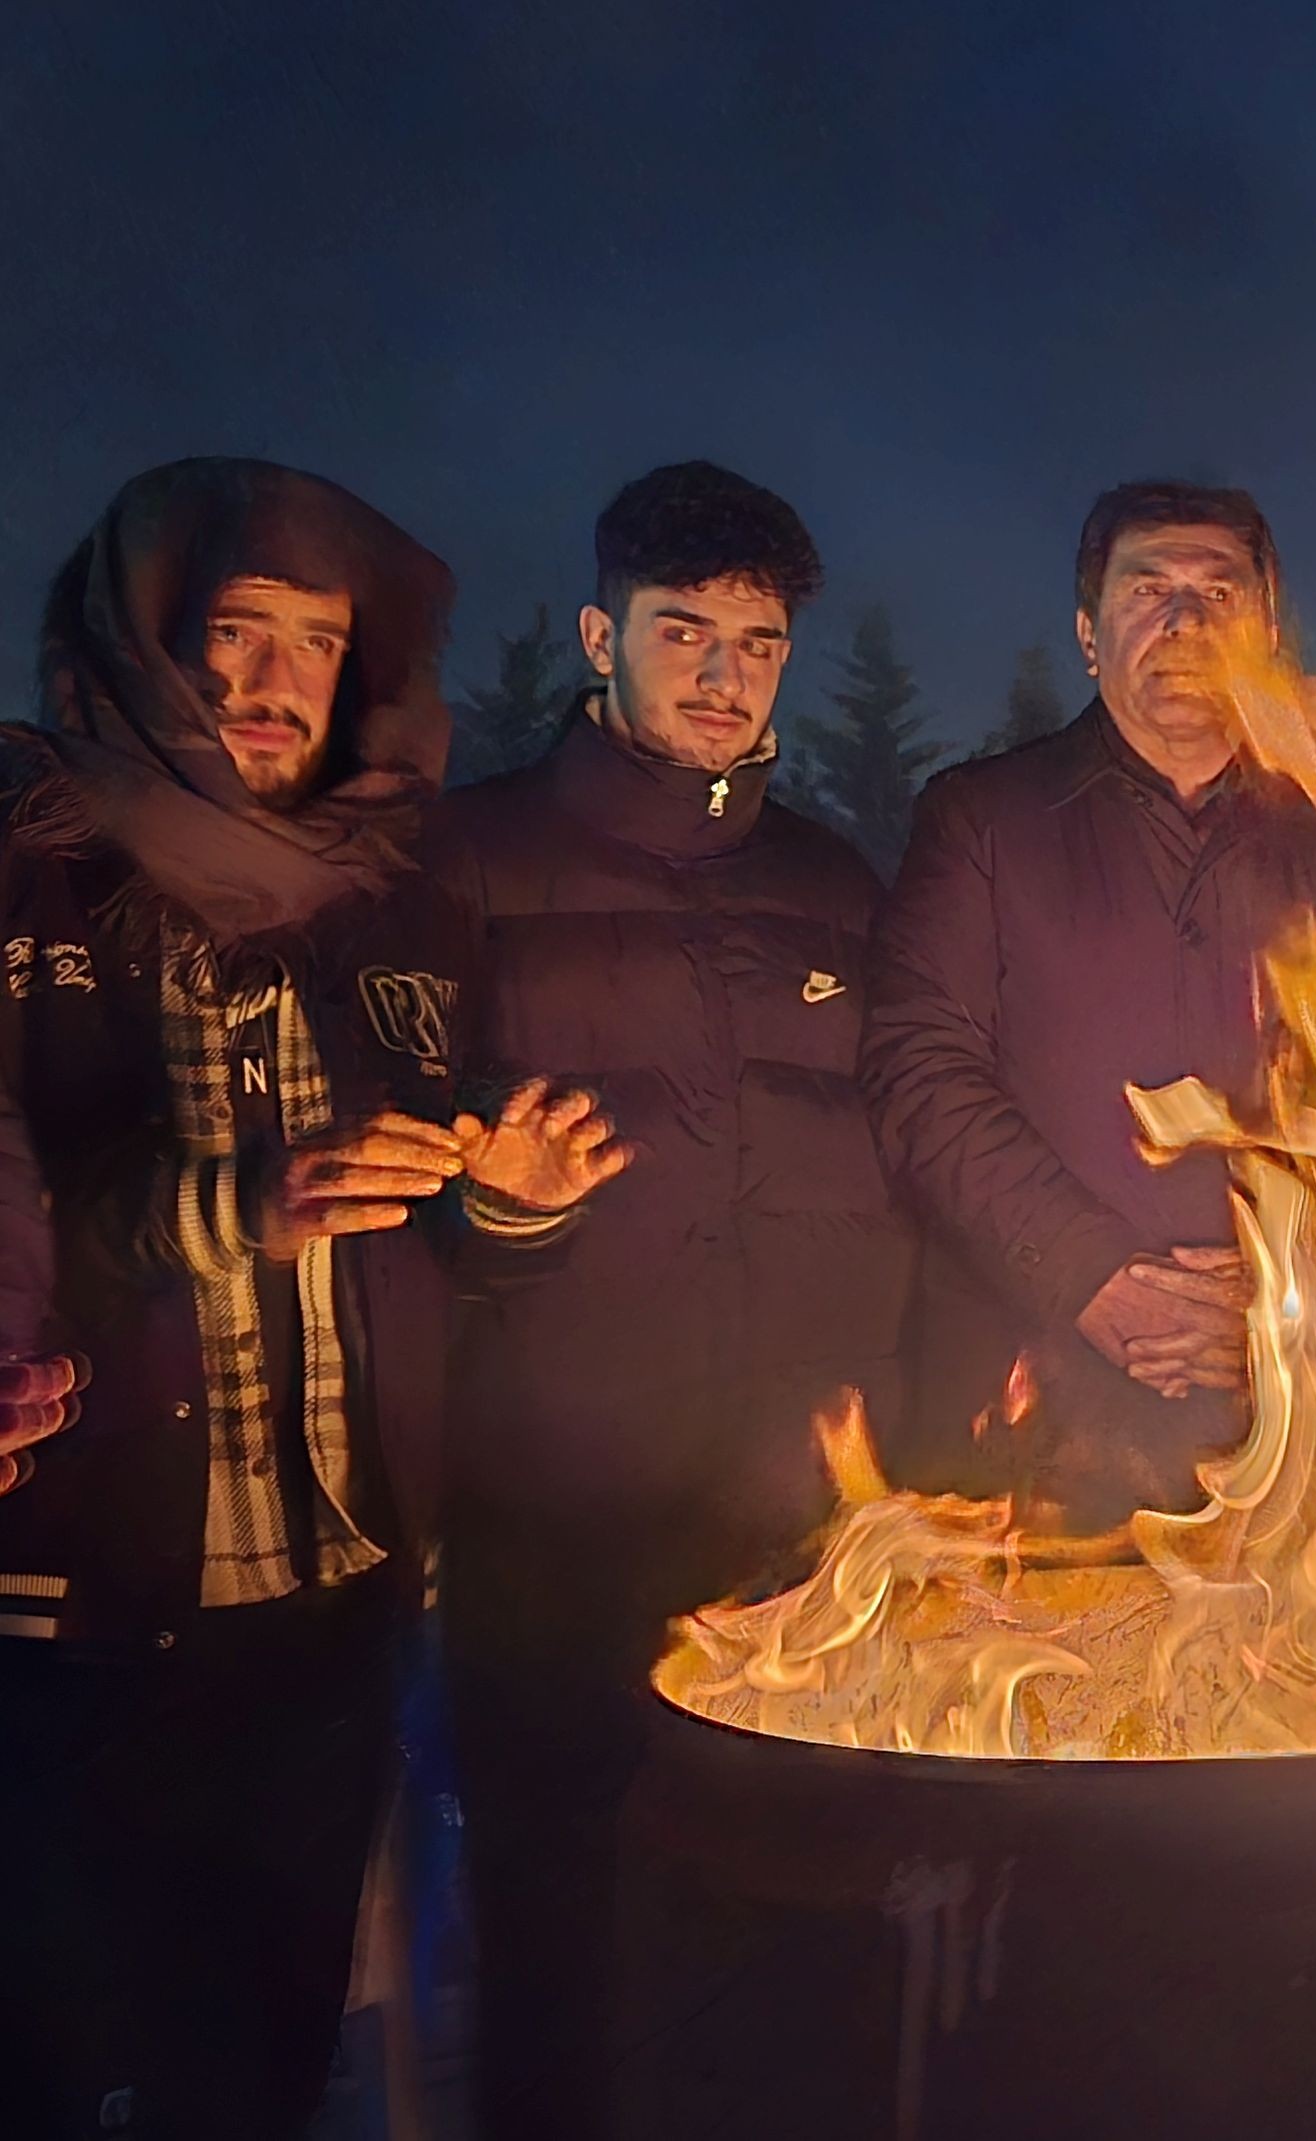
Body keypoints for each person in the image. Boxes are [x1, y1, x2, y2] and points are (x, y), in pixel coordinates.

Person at [0, 459, 623, 2140]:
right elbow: (27, 1200)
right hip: (82, 1599)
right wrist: (230, 1207)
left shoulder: (393, 889)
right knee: (52, 2055)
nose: (276, 682)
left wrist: (510, 1197)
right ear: (143, 641)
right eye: (235, 631)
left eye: (316, 643)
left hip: (329, 1591)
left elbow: (430, 1210)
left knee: (261, 2060)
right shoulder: (37, 862)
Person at [420, 462, 913, 2139]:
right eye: (682, 632)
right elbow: (389, 1197)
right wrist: (497, 1213)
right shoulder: (465, 864)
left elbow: (897, 1172)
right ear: (597, 635)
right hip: (557, 1517)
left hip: (792, 1517)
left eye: (757, 644)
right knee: (564, 1935)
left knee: (793, 1926)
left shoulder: (837, 888)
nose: (721, 674)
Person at [865, 481, 1316, 1527]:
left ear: (1268, 633)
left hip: (1290, 1419)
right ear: (1090, 633)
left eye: (1217, 592)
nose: (1184, 623)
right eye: (1149, 590)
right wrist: (1090, 1271)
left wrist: (1289, 1292)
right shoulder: (985, 821)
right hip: (1027, 1410)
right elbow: (919, 1065)